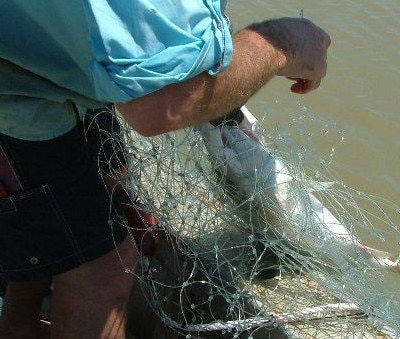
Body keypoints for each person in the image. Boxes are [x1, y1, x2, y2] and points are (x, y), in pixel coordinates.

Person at [0, 1, 330, 338]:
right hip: (14, 91)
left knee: (107, 182)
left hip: (46, 54)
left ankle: (21, 311)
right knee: (104, 271)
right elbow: (161, 105)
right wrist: (281, 43)